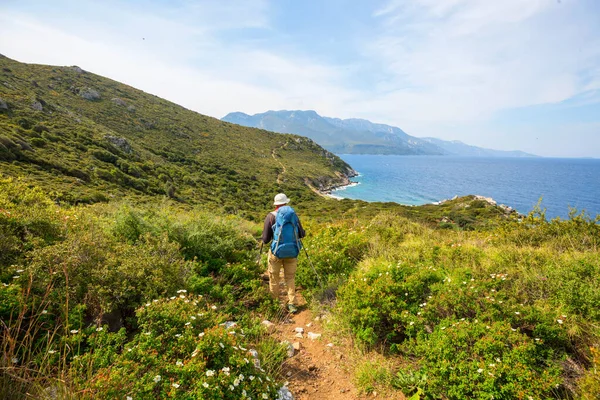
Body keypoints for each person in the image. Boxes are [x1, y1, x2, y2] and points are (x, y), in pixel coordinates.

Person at [261, 193, 305, 313]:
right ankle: (292, 303)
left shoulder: (270, 216)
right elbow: (302, 234)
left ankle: (275, 303)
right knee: (290, 278)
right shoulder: (293, 215)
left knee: (274, 277)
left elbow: (265, 240)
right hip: (292, 252)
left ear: (275, 204)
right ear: (286, 203)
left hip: (276, 253)